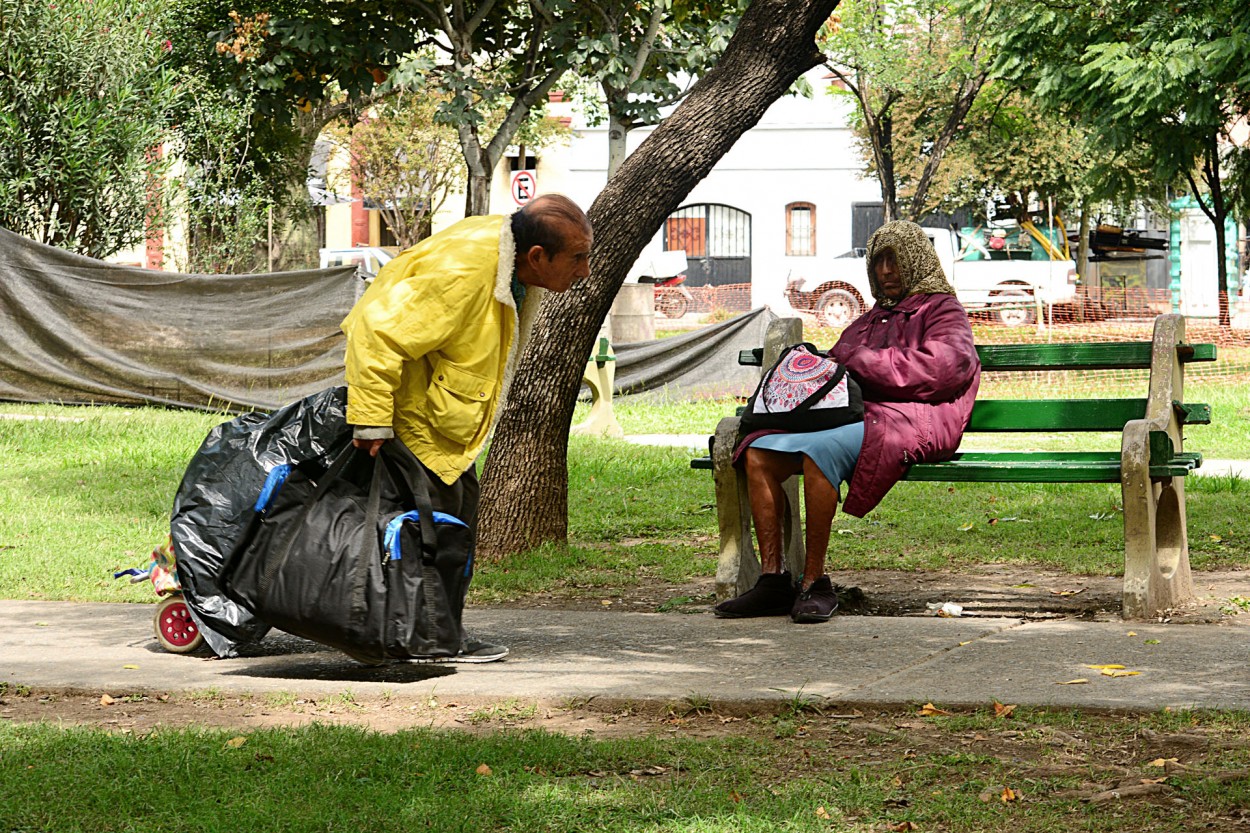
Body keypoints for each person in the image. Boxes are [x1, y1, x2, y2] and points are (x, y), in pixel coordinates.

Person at [340, 194, 593, 661]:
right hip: (411, 418)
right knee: (433, 527)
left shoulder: (508, 256)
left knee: (454, 519)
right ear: (538, 256)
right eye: (577, 258)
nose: (585, 271)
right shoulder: (465, 272)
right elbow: (375, 331)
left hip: (444, 422)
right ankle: (425, 639)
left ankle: (433, 633)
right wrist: (372, 420)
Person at [715, 220, 981, 623]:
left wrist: (862, 363)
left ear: (917, 260)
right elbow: (839, 363)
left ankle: (814, 582)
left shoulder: (942, 310)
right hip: (860, 417)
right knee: (758, 452)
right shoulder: (874, 317)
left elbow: (945, 369)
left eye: (895, 260)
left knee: (819, 451)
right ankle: (773, 581)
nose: (886, 271)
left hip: (914, 419)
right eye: (879, 263)